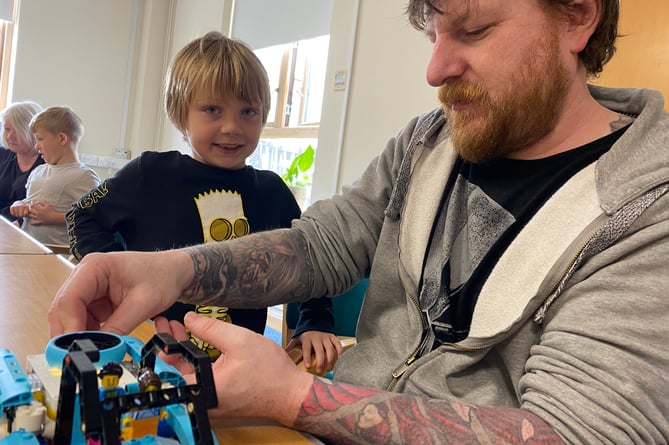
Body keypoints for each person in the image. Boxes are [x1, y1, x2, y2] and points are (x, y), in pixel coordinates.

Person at [49, 0, 669, 443]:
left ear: (578, 16)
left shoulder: (649, 209)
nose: (436, 69)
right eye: (433, 32)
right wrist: (168, 269)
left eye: (474, 29)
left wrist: (294, 397)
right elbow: (321, 245)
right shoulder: (428, 142)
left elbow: (580, 431)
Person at [65, 31, 341, 373]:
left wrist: (314, 321)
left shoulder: (272, 192)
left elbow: (311, 262)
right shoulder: (149, 174)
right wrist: (112, 277)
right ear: (181, 112)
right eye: (212, 109)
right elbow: (82, 214)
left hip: (237, 369)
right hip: (152, 356)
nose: (232, 127)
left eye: (248, 112)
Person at [9, 106, 100, 245]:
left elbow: (95, 218)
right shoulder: (38, 171)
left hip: (59, 254)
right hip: (29, 248)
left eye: (40, 139)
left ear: (62, 138)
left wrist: (55, 217)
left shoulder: (84, 176)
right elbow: (29, 200)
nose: (36, 146)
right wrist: (20, 204)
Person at [0, 101, 45, 224]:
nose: (9, 136)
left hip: (25, 230)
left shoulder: (48, 162)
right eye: (7, 129)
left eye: (16, 130)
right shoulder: (3, 155)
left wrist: (20, 222)